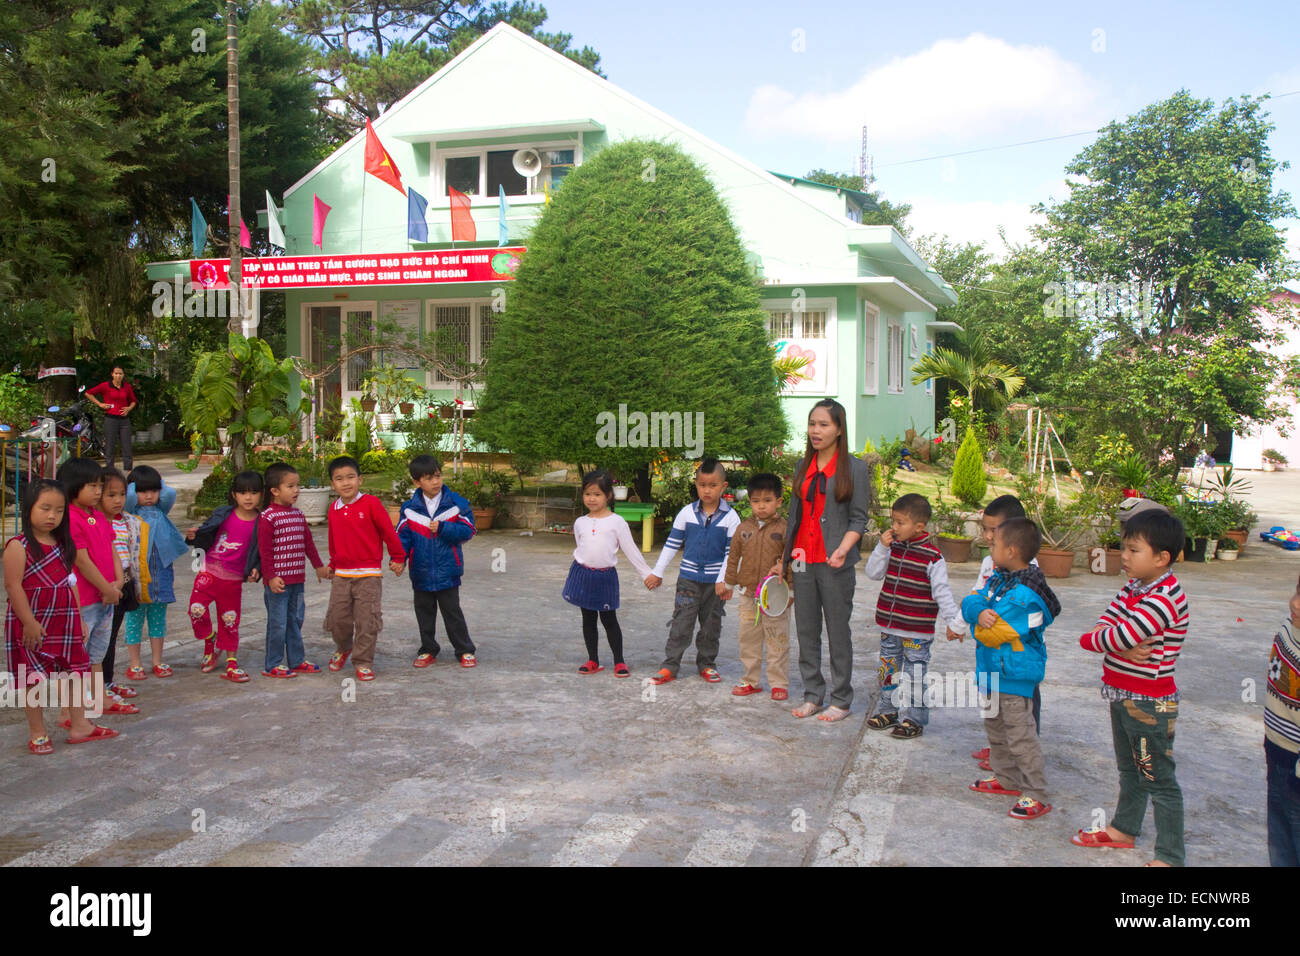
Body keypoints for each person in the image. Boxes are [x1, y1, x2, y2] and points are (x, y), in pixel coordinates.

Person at [1071, 509, 1189, 867]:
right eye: (1124, 548)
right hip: (1123, 696)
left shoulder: (1164, 596)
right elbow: (1101, 630)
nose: (1124, 556)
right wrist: (1109, 641)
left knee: (1158, 778)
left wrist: (1110, 640)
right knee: (1129, 769)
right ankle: (1124, 828)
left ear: (1161, 558)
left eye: (1133, 550)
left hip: (1149, 704)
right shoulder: (1133, 588)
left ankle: (1170, 856)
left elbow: (1120, 634)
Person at [771, 399, 871, 722]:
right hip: (802, 560)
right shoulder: (804, 466)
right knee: (806, 630)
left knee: (838, 631)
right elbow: (794, 517)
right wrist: (784, 560)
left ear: (839, 429)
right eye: (812, 423)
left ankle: (841, 699)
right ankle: (813, 694)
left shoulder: (854, 468)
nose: (816, 430)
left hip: (834, 562)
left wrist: (843, 548)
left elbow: (859, 519)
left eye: (824, 424)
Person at [3, 480, 118, 752]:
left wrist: (78, 619)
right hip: (33, 622)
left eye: (58, 510)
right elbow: (12, 586)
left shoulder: (63, 544)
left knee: (74, 672)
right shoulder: (17, 547)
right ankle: (37, 731)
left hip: (65, 619)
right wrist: (29, 622)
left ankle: (80, 725)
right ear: (28, 508)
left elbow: (71, 582)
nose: (52, 516)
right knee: (33, 678)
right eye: (44, 508)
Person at [961, 518, 1059, 819]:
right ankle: (1006, 778)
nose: (989, 545)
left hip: (1013, 676)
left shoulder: (1027, 594)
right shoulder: (999, 579)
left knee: (1020, 736)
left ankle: (1036, 792)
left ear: (1012, 550)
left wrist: (978, 619)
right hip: (990, 673)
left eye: (994, 543)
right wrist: (978, 611)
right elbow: (970, 600)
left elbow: (995, 631)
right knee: (997, 731)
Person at [946, 493, 1041, 769]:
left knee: (1022, 707)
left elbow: (1035, 615)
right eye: (985, 529)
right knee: (993, 700)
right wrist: (958, 624)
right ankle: (998, 749)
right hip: (990, 650)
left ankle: (1021, 755)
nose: (987, 536)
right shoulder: (991, 563)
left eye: (993, 530)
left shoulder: (1030, 572)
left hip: (1017, 656)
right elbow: (978, 594)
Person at [864, 493, 962, 738]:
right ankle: (888, 710)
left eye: (900, 523)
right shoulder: (892, 548)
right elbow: (873, 573)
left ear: (919, 526)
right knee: (887, 671)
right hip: (890, 627)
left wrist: (954, 623)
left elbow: (942, 593)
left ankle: (914, 718)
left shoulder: (933, 557)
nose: (894, 527)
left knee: (914, 675)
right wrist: (881, 547)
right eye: (893, 521)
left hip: (917, 631)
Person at [645, 458, 740, 686]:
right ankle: (670, 666)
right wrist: (657, 571)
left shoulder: (731, 518)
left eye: (713, 485)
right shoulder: (686, 513)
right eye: (702, 485)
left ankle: (707, 664)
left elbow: (732, 554)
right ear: (696, 484)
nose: (707, 490)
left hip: (715, 585)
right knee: (681, 623)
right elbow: (671, 544)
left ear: (723, 487)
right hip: (688, 580)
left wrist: (723, 581)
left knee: (711, 626)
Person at [559, 469, 655, 676]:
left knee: (609, 619)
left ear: (608, 495)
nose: (592, 499)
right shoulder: (580, 523)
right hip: (583, 575)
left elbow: (630, 549)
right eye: (587, 494)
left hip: (605, 577)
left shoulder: (617, 522)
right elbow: (581, 547)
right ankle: (593, 660)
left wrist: (647, 573)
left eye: (597, 494)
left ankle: (619, 661)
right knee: (588, 619)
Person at [325, 456, 406, 681]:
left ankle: (363, 661)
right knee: (338, 619)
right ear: (333, 484)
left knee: (366, 620)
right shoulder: (333, 508)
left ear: (360, 480)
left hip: (369, 575)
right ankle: (343, 648)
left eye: (350, 477)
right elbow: (333, 539)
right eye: (339, 479)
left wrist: (398, 557)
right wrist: (332, 563)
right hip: (341, 575)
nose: (346, 483)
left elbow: (388, 533)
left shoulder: (371, 504)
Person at [397, 455, 480, 669]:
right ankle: (428, 649)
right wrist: (398, 559)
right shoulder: (409, 509)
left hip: (448, 572)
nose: (435, 482)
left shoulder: (455, 504)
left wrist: (444, 529)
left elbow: (469, 530)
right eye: (428, 478)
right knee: (424, 614)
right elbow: (402, 538)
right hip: (420, 572)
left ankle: (464, 649)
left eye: (437, 476)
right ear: (417, 482)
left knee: (452, 613)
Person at [55, 458, 121, 725]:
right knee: (73, 658)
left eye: (99, 486)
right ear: (73, 486)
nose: (97, 492)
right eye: (92, 486)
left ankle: (99, 699)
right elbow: (80, 560)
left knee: (96, 654)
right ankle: (67, 711)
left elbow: (113, 548)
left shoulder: (97, 516)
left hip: (107, 597)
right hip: (85, 600)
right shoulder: (70, 517)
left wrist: (117, 583)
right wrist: (107, 588)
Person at [186, 470, 264, 682]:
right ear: (234, 495)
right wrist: (194, 535)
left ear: (262, 495)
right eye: (243, 492)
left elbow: (262, 551)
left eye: (254, 492)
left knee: (229, 620)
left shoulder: (262, 522)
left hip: (233, 580)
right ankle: (210, 638)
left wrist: (257, 570)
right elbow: (206, 531)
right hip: (208, 572)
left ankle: (231, 661)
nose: (248, 497)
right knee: (196, 610)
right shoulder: (223, 513)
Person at [723, 473, 792, 700]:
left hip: (776, 596)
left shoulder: (786, 529)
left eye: (767, 500)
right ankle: (750, 680)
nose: (761, 506)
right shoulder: (743, 529)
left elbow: (791, 560)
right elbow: (733, 558)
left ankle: (778, 683)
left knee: (776, 639)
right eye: (756, 501)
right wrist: (729, 583)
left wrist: (791, 590)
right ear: (750, 501)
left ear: (779, 501)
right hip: (748, 595)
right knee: (748, 639)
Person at [257, 463, 328, 679]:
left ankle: (296, 660)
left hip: (297, 580)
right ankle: (273, 664)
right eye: (291, 486)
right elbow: (265, 552)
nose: (296, 490)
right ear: (275, 491)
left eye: (297, 485)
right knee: (278, 623)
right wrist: (270, 577)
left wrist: (318, 566)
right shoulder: (268, 517)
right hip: (278, 583)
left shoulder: (298, 515)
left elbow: (308, 544)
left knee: (296, 620)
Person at [123, 465, 187, 679]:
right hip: (136, 575)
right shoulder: (130, 513)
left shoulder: (161, 509)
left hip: (161, 573)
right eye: (143, 491)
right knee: (134, 619)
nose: (149, 496)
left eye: (153, 490)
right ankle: (135, 663)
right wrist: (132, 485)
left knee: (158, 619)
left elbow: (170, 493)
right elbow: (129, 497)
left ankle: (158, 661)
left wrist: (156, 483)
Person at [98, 469, 142, 714]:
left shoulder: (127, 521)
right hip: (105, 587)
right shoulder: (95, 523)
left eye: (122, 494)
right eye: (110, 494)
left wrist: (132, 585)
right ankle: (98, 686)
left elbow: (131, 557)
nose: (118, 500)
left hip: (123, 584)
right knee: (100, 639)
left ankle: (107, 680)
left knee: (112, 636)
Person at [1267, 577, 1300, 866]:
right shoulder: (1289, 629)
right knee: (1279, 840)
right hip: (1277, 750)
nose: (1296, 604)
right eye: (1298, 591)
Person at [86, 365, 138, 471]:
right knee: (110, 445)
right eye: (116, 373)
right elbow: (88, 393)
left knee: (126, 445)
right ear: (112, 374)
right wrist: (100, 404)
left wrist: (128, 408)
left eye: (120, 374)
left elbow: (133, 400)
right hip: (111, 419)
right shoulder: (105, 386)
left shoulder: (126, 386)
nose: (118, 376)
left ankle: (128, 470)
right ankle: (110, 469)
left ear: (123, 375)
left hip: (124, 420)